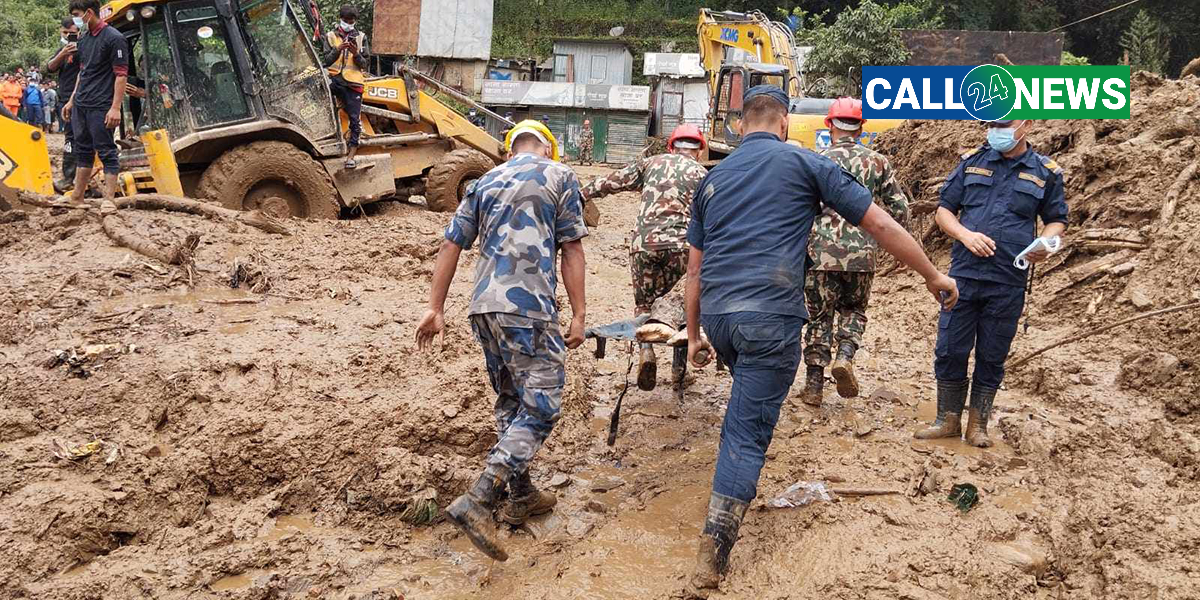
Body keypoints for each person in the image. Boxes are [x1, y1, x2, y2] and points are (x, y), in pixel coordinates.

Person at [682, 85, 958, 594]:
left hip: (719, 316)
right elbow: (878, 221)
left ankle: (728, 491)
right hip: (769, 314)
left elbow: (693, 271)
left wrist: (695, 334)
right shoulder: (806, 163)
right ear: (785, 123)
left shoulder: (712, 179)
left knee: (744, 400)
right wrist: (931, 275)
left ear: (740, 125)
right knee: (745, 432)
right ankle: (713, 551)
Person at [415, 120, 588, 562]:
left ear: (509, 150)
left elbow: (451, 245)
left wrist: (435, 308)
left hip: (483, 309)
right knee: (543, 407)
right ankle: (480, 497)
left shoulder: (484, 180)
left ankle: (521, 495)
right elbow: (572, 249)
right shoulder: (560, 176)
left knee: (512, 402)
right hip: (528, 308)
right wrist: (580, 313)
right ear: (548, 148)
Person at [915, 119, 1067, 447]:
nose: (995, 130)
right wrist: (964, 235)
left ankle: (978, 424)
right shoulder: (972, 163)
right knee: (950, 348)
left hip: (1009, 279)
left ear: (1025, 125)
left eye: (1004, 124)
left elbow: (1057, 220)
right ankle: (947, 419)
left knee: (992, 353)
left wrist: (1045, 244)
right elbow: (944, 211)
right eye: (991, 124)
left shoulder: (1046, 172)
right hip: (963, 276)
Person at [798, 98, 910, 406]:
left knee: (819, 316)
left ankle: (814, 387)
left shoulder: (816, 161)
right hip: (862, 256)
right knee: (853, 310)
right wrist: (895, 248)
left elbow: (800, 210)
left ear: (829, 126)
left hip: (820, 255)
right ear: (861, 128)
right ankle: (845, 358)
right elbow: (900, 208)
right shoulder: (878, 162)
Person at [581, 123, 709, 390]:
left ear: (672, 146)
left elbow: (612, 182)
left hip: (644, 246)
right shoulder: (702, 174)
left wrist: (582, 193)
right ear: (699, 151)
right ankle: (679, 372)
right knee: (682, 306)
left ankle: (646, 353)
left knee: (644, 305)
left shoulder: (651, 162)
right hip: (683, 247)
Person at [62, 0, 128, 204]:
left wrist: (115, 108)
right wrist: (72, 100)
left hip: (101, 104)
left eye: (76, 14)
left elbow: (121, 75)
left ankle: (109, 200)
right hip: (82, 103)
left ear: (89, 13)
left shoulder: (114, 38)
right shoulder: (84, 39)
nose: (75, 19)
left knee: (106, 150)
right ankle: (77, 196)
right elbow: (83, 72)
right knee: (83, 150)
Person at [322, 4, 370, 170]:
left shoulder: (361, 37)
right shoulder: (330, 36)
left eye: (351, 21)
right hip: (334, 81)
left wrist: (356, 53)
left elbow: (365, 64)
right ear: (340, 19)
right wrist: (338, 49)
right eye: (346, 20)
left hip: (353, 84)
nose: (348, 23)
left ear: (355, 21)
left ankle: (351, 157)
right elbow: (326, 60)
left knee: (355, 121)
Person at [47, 16, 82, 188]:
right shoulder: (63, 50)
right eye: (65, 32)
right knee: (70, 139)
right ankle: (68, 177)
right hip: (64, 100)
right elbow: (50, 67)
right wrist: (63, 53)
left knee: (83, 137)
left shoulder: (86, 48)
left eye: (72, 33)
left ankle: (83, 179)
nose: (68, 36)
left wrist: (73, 99)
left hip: (80, 98)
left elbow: (85, 74)